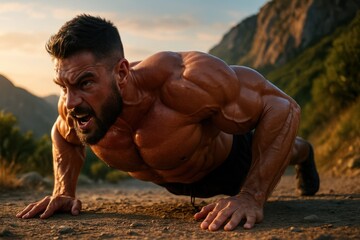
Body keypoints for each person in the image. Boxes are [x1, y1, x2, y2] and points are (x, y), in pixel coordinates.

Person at [16, 14, 319, 231]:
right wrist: (63, 191)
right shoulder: (79, 108)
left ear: (121, 73)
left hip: (231, 163)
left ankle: (304, 153)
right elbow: (61, 133)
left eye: (85, 83)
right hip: (178, 175)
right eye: (63, 86)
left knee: (287, 148)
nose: (70, 102)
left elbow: (283, 108)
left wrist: (251, 196)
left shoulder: (183, 81)